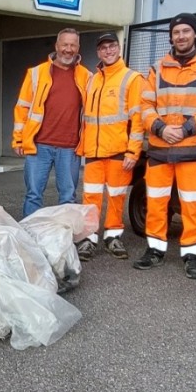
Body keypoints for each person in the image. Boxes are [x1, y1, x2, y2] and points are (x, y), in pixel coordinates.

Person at [134, 12, 196, 280]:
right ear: (171, 37)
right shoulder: (157, 67)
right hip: (160, 149)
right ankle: (155, 250)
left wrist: (185, 129)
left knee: (192, 206)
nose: (181, 36)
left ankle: (191, 255)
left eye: (186, 31)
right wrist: (161, 128)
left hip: (192, 149)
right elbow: (145, 105)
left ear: (195, 33)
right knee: (155, 203)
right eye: (176, 32)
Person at [75, 32, 144, 261]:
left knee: (116, 196)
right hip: (93, 151)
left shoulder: (132, 78)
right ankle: (89, 238)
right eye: (103, 48)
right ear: (98, 52)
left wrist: (133, 151)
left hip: (119, 151)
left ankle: (113, 236)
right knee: (90, 197)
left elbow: (138, 119)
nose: (108, 51)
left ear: (119, 47)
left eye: (112, 46)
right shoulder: (92, 80)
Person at [12, 28, 90, 217]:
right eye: (65, 44)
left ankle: (65, 233)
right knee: (33, 195)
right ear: (56, 46)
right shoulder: (36, 73)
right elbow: (22, 107)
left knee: (68, 197)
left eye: (73, 45)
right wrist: (18, 139)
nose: (68, 49)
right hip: (39, 145)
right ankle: (30, 232)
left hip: (70, 147)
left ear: (78, 47)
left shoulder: (87, 76)